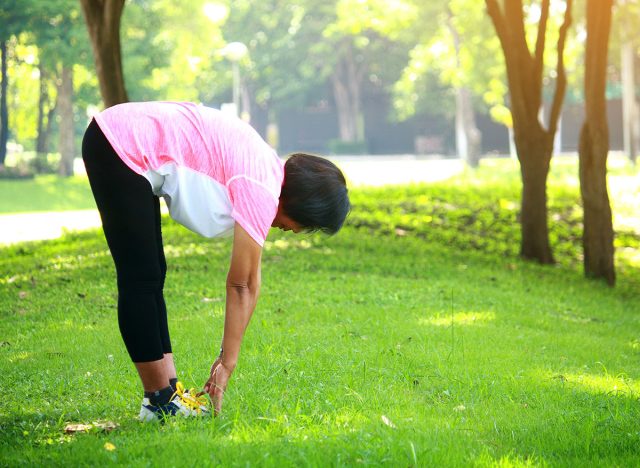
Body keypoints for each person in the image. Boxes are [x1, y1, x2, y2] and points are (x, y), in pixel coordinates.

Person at [81, 101, 350, 421]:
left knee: (152, 275)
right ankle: (158, 402)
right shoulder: (261, 186)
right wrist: (228, 362)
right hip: (120, 143)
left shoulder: (266, 173)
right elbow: (240, 284)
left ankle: (168, 395)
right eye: (306, 226)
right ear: (305, 205)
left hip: (123, 140)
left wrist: (227, 355)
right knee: (140, 276)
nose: (296, 232)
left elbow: (253, 281)